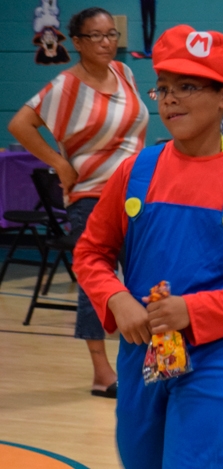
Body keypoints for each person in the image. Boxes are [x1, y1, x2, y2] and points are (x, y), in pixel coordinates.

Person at [72, 25, 223, 468]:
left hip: (216, 358)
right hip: (140, 355)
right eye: (164, 88)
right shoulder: (135, 171)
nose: (170, 99)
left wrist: (193, 311)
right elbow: (90, 254)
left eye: (187, 87)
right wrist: (116, 299)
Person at [8, 7, 149, 399]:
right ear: (77, 42)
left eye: (111, 35)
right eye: (96, 36)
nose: (106, 43)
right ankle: (102, 371)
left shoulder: (125, 73)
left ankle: (142, 362)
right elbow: (19, 124)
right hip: (92, 196)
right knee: (98, 282)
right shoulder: (65, 86)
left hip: (135, 195)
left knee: (143, 276)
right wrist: (58, 164)